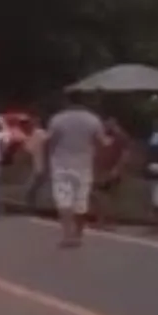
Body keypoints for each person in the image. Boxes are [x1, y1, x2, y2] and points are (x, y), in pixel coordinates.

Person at [47, 91, 105, 248]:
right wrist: (99, 163)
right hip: (84, 165)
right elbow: (100, 143)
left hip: (61, 165)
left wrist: (49, 161)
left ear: (67, 101)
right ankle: (78, 234)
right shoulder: (93, 120)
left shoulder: (58, 119)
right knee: (81, 201)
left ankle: (67, 235)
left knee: (64, 200)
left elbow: (51, 142)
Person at [92, 116, 129, 229]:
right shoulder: (103, 135)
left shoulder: (121, 136)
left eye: (108, 124)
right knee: (97, 195)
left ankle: (110, 222)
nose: (105, 126)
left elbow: (125, 154)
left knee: (110, 196)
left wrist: (117, 169)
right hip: (101, 170)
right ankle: (101, 220)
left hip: (112, 170)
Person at [22, 116, 50, 209]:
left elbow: (28, 149)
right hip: (43, 165)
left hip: (41, 165)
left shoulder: (38, 133)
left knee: (31, 188)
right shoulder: (43, 134)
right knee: (40, 187)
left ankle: (31, 206)